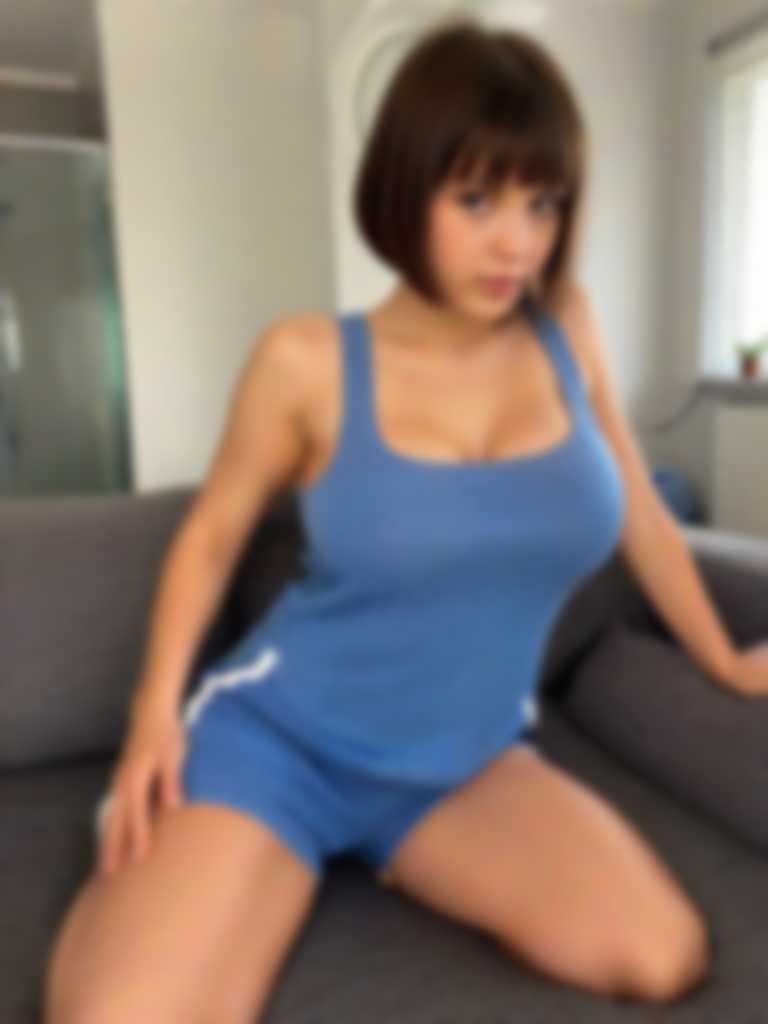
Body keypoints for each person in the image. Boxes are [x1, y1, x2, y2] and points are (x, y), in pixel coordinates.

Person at [44, 14, 711, 1021]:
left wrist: (726, 659)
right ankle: (225, 849)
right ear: (406, 185)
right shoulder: (306, 360)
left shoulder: (568, 330)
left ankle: (389, 853)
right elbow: (211, 537)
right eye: (476, 198)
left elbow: (643, 517)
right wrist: (150, 722)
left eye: (541, 202)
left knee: (663, 957)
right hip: (282, 744)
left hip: (466, 762)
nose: (515, 241)